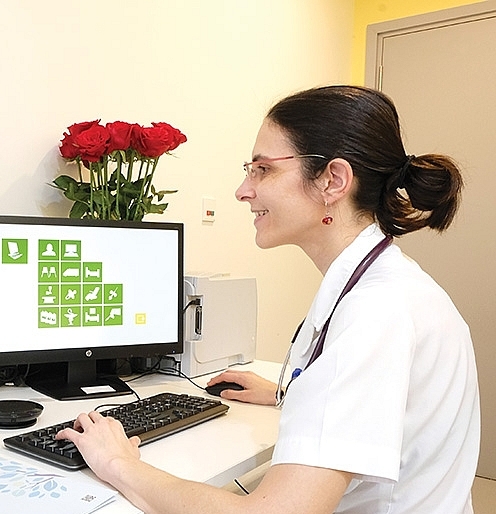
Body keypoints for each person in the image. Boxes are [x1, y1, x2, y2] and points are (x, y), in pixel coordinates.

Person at [56, 85, 480, 513]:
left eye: (262, 170)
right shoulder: (386, 283)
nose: (243, 190)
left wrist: (119, 463)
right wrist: (291, 392)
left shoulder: (376, 313)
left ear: (333, 180)